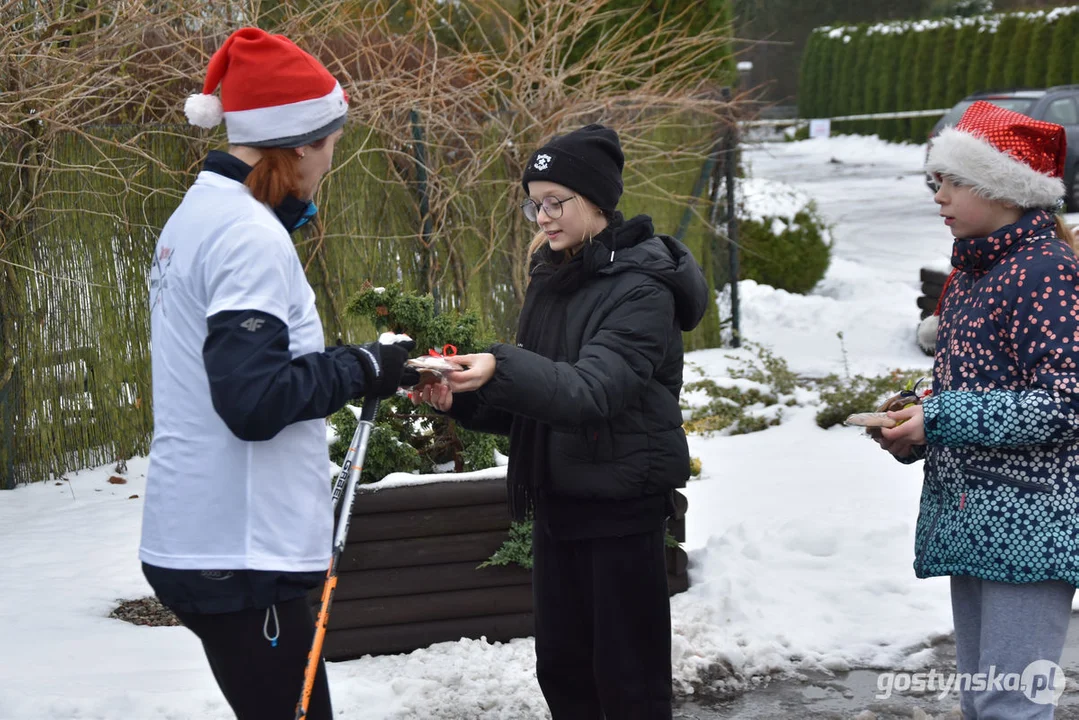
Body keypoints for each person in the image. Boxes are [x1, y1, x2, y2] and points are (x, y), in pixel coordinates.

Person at [140, 28, 417, 720]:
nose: (329, 162)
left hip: (203, 535)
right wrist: (363, 366)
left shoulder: (197, 215)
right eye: (329, 145)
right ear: (298, 143)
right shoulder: (246, 234)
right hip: (240, 549)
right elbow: (253, 400)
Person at [412, 124, 709, 719]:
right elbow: (543, 402)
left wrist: (501, 364)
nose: (542, 217)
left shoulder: (642, 289)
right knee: (565, 674)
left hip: (621, 511)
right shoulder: (554, 275)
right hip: (560, 504)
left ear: (598, 201)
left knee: (628, 683)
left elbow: (590, 391)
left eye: (556, 202)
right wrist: (463, 397)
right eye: (534, 203)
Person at [879, 101, 1079, 719]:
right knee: (983, 702)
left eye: (955, 181)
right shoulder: (972, 271)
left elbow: (1062, 404)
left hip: (1031, 525)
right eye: (937, 179)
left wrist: (941, 418)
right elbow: (978, 382)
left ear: (1005, 188)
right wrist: (917, 415)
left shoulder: (1045, 271)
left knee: (1011, 706)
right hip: (974, 516)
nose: (939, 194)